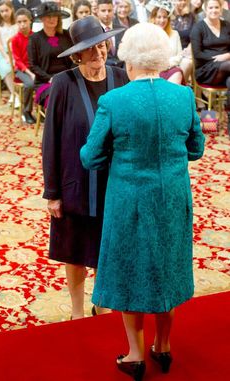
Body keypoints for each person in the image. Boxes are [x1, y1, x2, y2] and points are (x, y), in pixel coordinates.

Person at [80, 22, 205, 380]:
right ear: (162, 58)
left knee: (129, 273)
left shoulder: (113, 101)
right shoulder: (182, 97)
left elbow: (90, 157)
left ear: (128, 60)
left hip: (128, 202)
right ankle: (162, 348)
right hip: (172, 199)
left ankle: (134, 354)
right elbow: (196, 148)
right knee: (168, 269)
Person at [42, 15, 128, 320]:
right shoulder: (63, 83)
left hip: (113, 183)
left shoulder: (120, 78)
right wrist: (52, 192)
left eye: (102, 45)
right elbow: (50, 139)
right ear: (77, 54)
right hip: (74, 183)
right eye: (90, 49)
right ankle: (77, 311)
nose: (98, 53)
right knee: (75, 251)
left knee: (106, 250)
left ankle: (101, 301)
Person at [190, 0, 230, 125]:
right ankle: (213, 120)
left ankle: (213, 124)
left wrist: (227, 55)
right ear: (205, 10)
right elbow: (197, 54)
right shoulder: (198, 28)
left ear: (221, 9)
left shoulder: (227, 25)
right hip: (206, 69)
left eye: (216, 7)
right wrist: (219, 57)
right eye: (210, 7)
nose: (214, 10)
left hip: (226, 67)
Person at [28, 1, 72, 108]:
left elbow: (75, 58)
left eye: (55, 16)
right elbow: (33, 65)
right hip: (45, 81)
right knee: (56, 97)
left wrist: (69, 76)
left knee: (77, 96)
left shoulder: (66, 35)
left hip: (67, 78)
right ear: (42, 18)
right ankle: (54, 124)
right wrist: (49, 78)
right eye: (48, 16)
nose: (52, 19)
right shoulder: (35, 39)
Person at [148, 0, 185, 84]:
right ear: (153, 18)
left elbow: (179, 55)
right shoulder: (148, 34)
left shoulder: (175, 34)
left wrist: (167, 64)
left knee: (177, 72)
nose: (162, 20)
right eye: (159, 17)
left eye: (165, 17)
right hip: (153, 71)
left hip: (170, 68)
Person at [11, 8, 36, 124]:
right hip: (21, 70)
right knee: (30, 84)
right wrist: (30, 73)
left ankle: (45, 111)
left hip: (34, 68)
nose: (22, 24)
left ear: (30, 20)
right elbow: (17, 60)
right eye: (19, 22)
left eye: (25, 21)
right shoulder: (15, 39)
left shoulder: (35, 37)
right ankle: (26, 111)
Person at [0, 0, 18, 106]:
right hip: (2, 54)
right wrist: (7, 57)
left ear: (12, 10)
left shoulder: (17, 24)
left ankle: (14, 94)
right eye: (2, 11)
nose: (4, 13)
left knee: (16, 66)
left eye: (6, 10)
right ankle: (15, 94)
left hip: (16, 52)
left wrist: (14, 56)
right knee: (7, 68)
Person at [97, 0, 123, 66]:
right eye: (103, 11)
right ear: (97, 12)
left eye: (109, 10)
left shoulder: (122, 30)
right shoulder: (94, 32)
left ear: (113, 11)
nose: (107, 14)